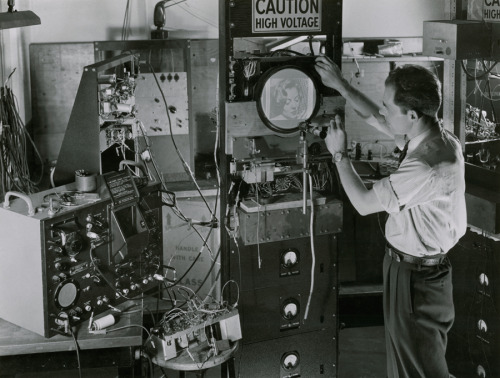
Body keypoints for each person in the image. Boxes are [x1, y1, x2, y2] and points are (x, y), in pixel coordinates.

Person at [315, 56, 466, 378]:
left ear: (411, 114)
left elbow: (364, 203)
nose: (383, 111)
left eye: (388, 105)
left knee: (420, 370)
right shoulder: (432, 136)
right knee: (407, 364)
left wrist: (338, 154)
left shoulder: (428, 162)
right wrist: (341, 85)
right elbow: (374, 116)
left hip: (416, 278)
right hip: (410, 270)